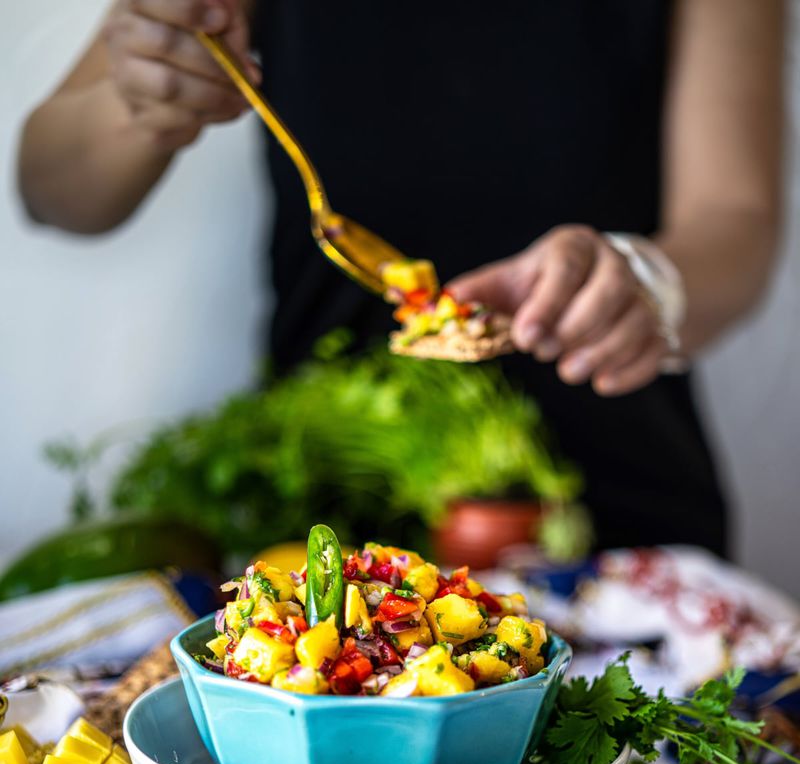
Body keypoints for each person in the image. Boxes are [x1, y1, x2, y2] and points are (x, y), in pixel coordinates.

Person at [17, 1, 785, 554]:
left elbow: (738, 222)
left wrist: (649, 283)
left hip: (618, 527)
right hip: (318, 535)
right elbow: (54, 191)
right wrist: (136, 95)